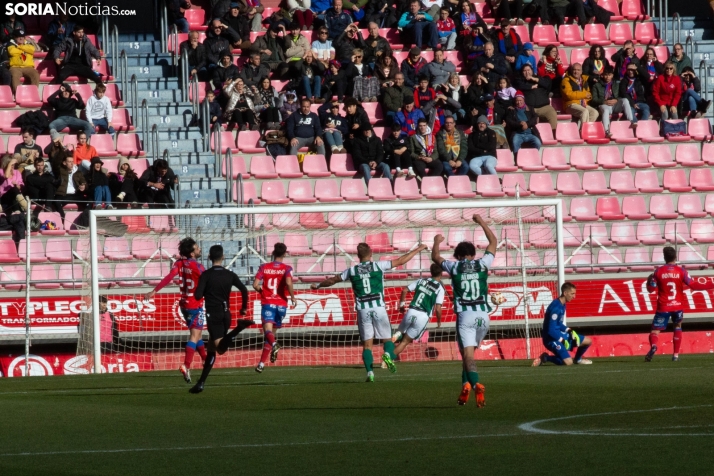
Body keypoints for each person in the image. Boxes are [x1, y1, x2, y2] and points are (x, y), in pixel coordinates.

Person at [311, 242, 428, 381]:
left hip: (363, 310)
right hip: (379, 307)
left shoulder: (352, 271)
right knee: (386, 339)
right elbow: (401, 260)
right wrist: (419, 249)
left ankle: (370, 373)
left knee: (367, 344)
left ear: (357, 255)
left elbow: (333, 280)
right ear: (371, 253)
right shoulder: (378, 266)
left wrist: (318, 285)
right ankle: (388, 356)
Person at [431, 214, 496, 407]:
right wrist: (480, 221)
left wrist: (436, 241)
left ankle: (475, 384)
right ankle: (465, 385)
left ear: (459, 256)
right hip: (483, 316)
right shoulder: (483, 263)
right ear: (473, 254)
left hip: (465, 315)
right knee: (470, 355)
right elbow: (494, 241)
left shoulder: (455, 266)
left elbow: (435, 257)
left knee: (467, 355)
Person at [190, 244, 252, 393]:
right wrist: (244, 307)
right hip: (226, 313)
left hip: (214, 314)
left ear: (209, 257)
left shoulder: (206, 275)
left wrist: (204, 291)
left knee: (220, 349)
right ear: (223, 257)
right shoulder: (229, 274)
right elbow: (244, 289)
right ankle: (201, 383)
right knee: (211, 348)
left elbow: (198, 295)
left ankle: (240, 327)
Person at [145, 238, 208, 383]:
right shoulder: (199, 267)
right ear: (192, 253)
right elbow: (207, 283)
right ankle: (186, 365)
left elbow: (169, 277)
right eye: (197, 248)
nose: (199, 249)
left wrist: (155, 291)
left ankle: (205, 360)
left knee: (197, 334)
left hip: (184, 304)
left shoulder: (179, 264)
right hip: (195, 305)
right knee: (194, 335)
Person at [644, 246, 714, 363]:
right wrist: (712, 285)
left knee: (655, 331)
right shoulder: (681, 270)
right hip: (678, 306)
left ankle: (654, 346)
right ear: (675, 256)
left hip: (663, 306)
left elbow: (651, 289)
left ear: (664, 257)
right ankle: (675, 355)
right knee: (677, 326)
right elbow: (693, 285)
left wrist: (648, 281)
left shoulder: (658, 271)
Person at [253, 242, 296, 373]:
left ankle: (274, 344)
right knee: (271, 334)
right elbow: (288, 282)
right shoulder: (287, 268)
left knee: (267, 332)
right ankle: (261, 363)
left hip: (268, 303)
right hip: (281, 305)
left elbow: (255, 285)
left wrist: (263, 292)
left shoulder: (264, 267)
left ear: (273, 252)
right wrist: (293, 297)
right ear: (284, 254)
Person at [391, 264, 445, 359]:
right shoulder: (440, 288)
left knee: (399, 333)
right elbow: (438, 308)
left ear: (431, 272)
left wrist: (402, 305)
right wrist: (439, 321)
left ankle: (390, 344)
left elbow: (404, 290)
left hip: (411, 310)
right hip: (423, 315)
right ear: (441, 273)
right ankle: (388, 358)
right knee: (405, 341)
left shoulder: (421, 280)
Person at [533, 282, 593, 366]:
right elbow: (551, 330)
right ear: (565, 293)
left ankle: (578, 359)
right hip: (551, 339)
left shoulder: (562, 304)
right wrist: (562, 340)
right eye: (572, 294)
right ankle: (546, 358)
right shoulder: (556, 308)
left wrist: (569, 330)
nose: (574, 296)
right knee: (568, 362)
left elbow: (558, 323)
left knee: (588, 341)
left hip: (559, 334)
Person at [591, 66, 632, 136]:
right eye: (606, 75)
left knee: (625, 100)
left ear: (612, 75)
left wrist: (616, 100)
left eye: (609, 75)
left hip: (615, 105)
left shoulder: (616, 84)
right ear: (602, 75)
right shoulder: (596, 85)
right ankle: (607, 131)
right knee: (606, 110)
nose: (607, 77)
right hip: (604, 105)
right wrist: (604, 101)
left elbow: (621, 95)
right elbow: (594, 100)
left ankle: (631, 121)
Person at [53, 152, 88, 217]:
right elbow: (55, 163)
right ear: (64, 163)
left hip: (76, 194)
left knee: (89, 202)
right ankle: (63, 219)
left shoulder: (78, 172)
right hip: (63, 195)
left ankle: (83, 221)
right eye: (69, 162)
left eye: (72, 161)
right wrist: (62, 150)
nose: (72, 163)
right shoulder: (60, 171)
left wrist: (84, 186)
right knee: (56, 201)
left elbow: (84, 182)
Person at [7, 29, 40, 94]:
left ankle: (33, 94)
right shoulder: (10, 43)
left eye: (22, 36)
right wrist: (25, 50)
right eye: (19, 36)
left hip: (28, 67)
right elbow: (12, 52)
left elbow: (32, 49)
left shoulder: (28, 43)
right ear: (15, 37)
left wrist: (19, 47)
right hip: (15, 67)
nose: (21, 38)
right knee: (14, 76)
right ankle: (18, 95)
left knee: (35, 74)